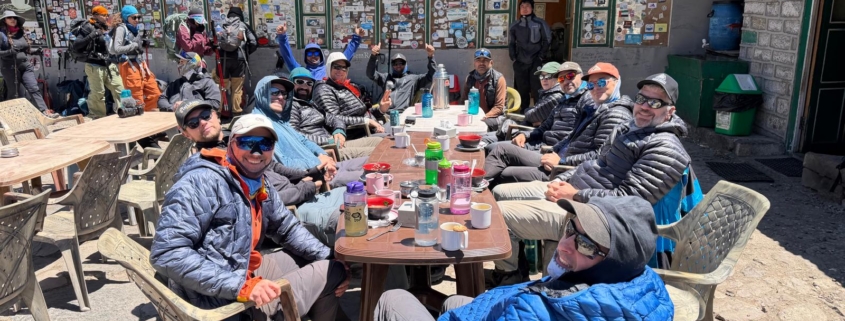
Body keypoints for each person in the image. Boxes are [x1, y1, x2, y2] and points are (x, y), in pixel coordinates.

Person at [491, 73, 704, 275]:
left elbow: (630, 202)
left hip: (596, 218)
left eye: (656, 103)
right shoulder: (628, 129)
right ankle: (518, 270)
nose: (645, 106)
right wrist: (560, 180)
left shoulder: (665, 148)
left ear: (670, 111)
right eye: (641, 99)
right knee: (500, 191)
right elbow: (594, 162)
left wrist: (575, 195)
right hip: (577, 193)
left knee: (498, 214)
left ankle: (510, 276)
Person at [151, 113, 349, 321]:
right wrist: (240, 287)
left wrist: (327, 255)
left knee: (322, 262)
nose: (256, 152)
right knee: (332, 272)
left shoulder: (255, 180)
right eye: (247, 142)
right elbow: (167, 252)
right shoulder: (201, 182)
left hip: (238, 267)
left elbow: (286, 227)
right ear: (231, 144)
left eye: (265, 143)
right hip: (214, 301)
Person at [373, 196, 675, 321]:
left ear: (613, 262)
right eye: (571, 229)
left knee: (393, 298)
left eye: (585, 244)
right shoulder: (646, 284)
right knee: (453, 302)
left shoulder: (540, 308)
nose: (564, 245)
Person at [174, 99, 346, 247]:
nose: (203, 123)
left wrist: (311, 172)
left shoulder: (237, 138)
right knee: (348, 221)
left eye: (205, 115)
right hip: (287, 213)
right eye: (193, 124)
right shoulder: (209, 166)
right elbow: (253, 201)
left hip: (299, 195)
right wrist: (303, 189)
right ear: (185, 133)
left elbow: (274, 166)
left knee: (359, 198)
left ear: (216, 115)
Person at [483, 62, 631, 189]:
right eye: (561, 78)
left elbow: (600, 157)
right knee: (499, 152)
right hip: (554, 155)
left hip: (564, 169)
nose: (595, 88)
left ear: (616, 82)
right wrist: (527, 136)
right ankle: (474, 187)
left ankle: (475, 190)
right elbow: (563, 135)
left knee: (501, 163)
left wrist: (561, 160)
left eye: (601, 82)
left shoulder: (608, 111)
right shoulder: (583, 105)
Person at [252, 75, 369, 189]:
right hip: (315, 177)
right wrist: (318, 162)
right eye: (274, 91)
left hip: (324, 165)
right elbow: (283, 163)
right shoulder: (260, 127)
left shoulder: (281, 121)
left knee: (370, 162)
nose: (281, 97)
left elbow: (304, 140)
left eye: (284, 93)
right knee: (373, 176)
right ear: (261, 93)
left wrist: (322, 154)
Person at [288, 67, 382, 160]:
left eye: (309, 83)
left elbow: (334, 119)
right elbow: (295, 135)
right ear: (291, 83)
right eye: (299, 82)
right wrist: (327, 141)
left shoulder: (312, 105)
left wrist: (339, 131)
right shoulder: (291, 106)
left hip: (335, 143)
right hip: (324, 151)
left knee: (380, 142)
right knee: (378, 152)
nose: (304, 87)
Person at [482, 61, 565, 145]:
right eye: (541, 76)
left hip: (531, 136)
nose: (544, 79)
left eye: (548, 76)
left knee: (485, 142)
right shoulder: (547, 93)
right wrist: (531, 113)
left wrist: (531, 114)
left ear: (559, 78)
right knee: (483, 136)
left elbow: (531, 116)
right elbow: (532, 115)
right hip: (525, 131)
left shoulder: (555, 97)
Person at [312, 52, 390, 138]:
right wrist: (366, 121)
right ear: (329, 67)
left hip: (371, 128)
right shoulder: (324, 89)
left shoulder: (345, 87)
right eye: (337, 67)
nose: (341, 71)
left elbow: (362, 112)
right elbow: (334, 118)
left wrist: (381, 109)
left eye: (344, 68)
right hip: (356, 135)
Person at [71, 5, 125, 118]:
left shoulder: (105, 27)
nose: (106, 17)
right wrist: (92, 35)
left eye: (107, 15)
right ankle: (97, 116)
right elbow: (76, 45)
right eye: (103, 15)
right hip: (94, 65)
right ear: (95, 15)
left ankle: (124, 110)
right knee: (98, 93)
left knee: (119, 88)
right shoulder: (88, 27)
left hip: (108, 64)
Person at [112, 5, 161, 111]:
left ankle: (144, 113)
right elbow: (117, 48)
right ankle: (139, 118)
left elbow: (134, 43)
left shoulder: (134, 29)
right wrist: (133, 46)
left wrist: (142, 43)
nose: (137, 20)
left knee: (155, 94)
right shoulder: (121, 29)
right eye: (134, 17)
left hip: (140, 64)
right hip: (128, 65)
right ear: (126, 17)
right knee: (136, 97)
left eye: (139, 17)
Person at [0, 11, 50, 114]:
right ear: (4, 20)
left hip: (25, 65)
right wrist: (9, 52)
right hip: (9, 67)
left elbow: (25, 50)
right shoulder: (1, 34)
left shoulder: (20, 32)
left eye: (14, 18)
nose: (13, 19)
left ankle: (44, 111)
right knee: (14, 93)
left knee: (34, 88)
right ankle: (11, 115)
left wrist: (35, 52)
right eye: (9, 18)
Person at [366, 42, 436, 112]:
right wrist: (373, 56)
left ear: (406, 64)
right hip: (386, 113)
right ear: (392, 65)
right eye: (395, 63)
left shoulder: (413, 79)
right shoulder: (385, 77)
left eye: (401, 63)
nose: (398, 65)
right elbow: (370, 74)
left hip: (403, 113)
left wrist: (431, 56)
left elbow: (432, 75)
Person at [275, 23, 362, 80]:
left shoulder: (329, 69)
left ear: (320, 55)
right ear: (305, 56)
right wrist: (282, 36)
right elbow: (287, 56)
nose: (313, 56)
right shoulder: (301, 71)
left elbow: (345, 57)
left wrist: (356, 38)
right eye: (309, 53)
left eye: (316, 53)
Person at [509, 0, 551, 111]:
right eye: (522, 6)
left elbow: (547, 40)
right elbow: (511, 43)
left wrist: (541, 57)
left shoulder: (540, 23)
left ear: (532, 8)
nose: (524, 8)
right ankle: (523, 113)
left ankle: (538, 112)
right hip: (520, 62)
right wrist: (514, 58)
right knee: (522, 89)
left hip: (535, 61)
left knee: (537, 88)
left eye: (527, 6)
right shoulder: (515, 25)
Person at [216, 7, 257, 115]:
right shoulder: (243, 25)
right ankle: (236, 114)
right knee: (237, 88)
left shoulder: (221, 25)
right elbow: (254, 42)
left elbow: (213, 41)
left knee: (221, 87)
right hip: (239, 60)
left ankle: (218, 113)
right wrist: (246, 52)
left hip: (222, 60)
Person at [461, 48, 507, 131]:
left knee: (479, 126)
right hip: (474, 115)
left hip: (494, 117)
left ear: (491, 63)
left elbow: (499, 107)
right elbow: (464, 101)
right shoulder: (470, 78)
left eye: (485, 60)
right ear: (474, 63)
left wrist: (483, 117)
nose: (481, 63)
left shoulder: (499, 79)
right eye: (478, 60)